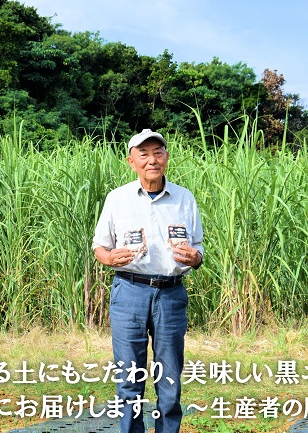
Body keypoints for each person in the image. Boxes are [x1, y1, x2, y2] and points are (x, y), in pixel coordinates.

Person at [92, 129, 204, 433]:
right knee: (129, 378)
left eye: (158, 152)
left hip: (170, 295)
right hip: (129, 292)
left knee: (169, 377)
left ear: (166, 158)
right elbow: (100, 247)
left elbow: (198, 247)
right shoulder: (118, 199)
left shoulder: (184, 198)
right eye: (143, 154)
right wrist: (109, 258)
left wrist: (195, 258)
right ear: (131, 161)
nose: (151, 160)